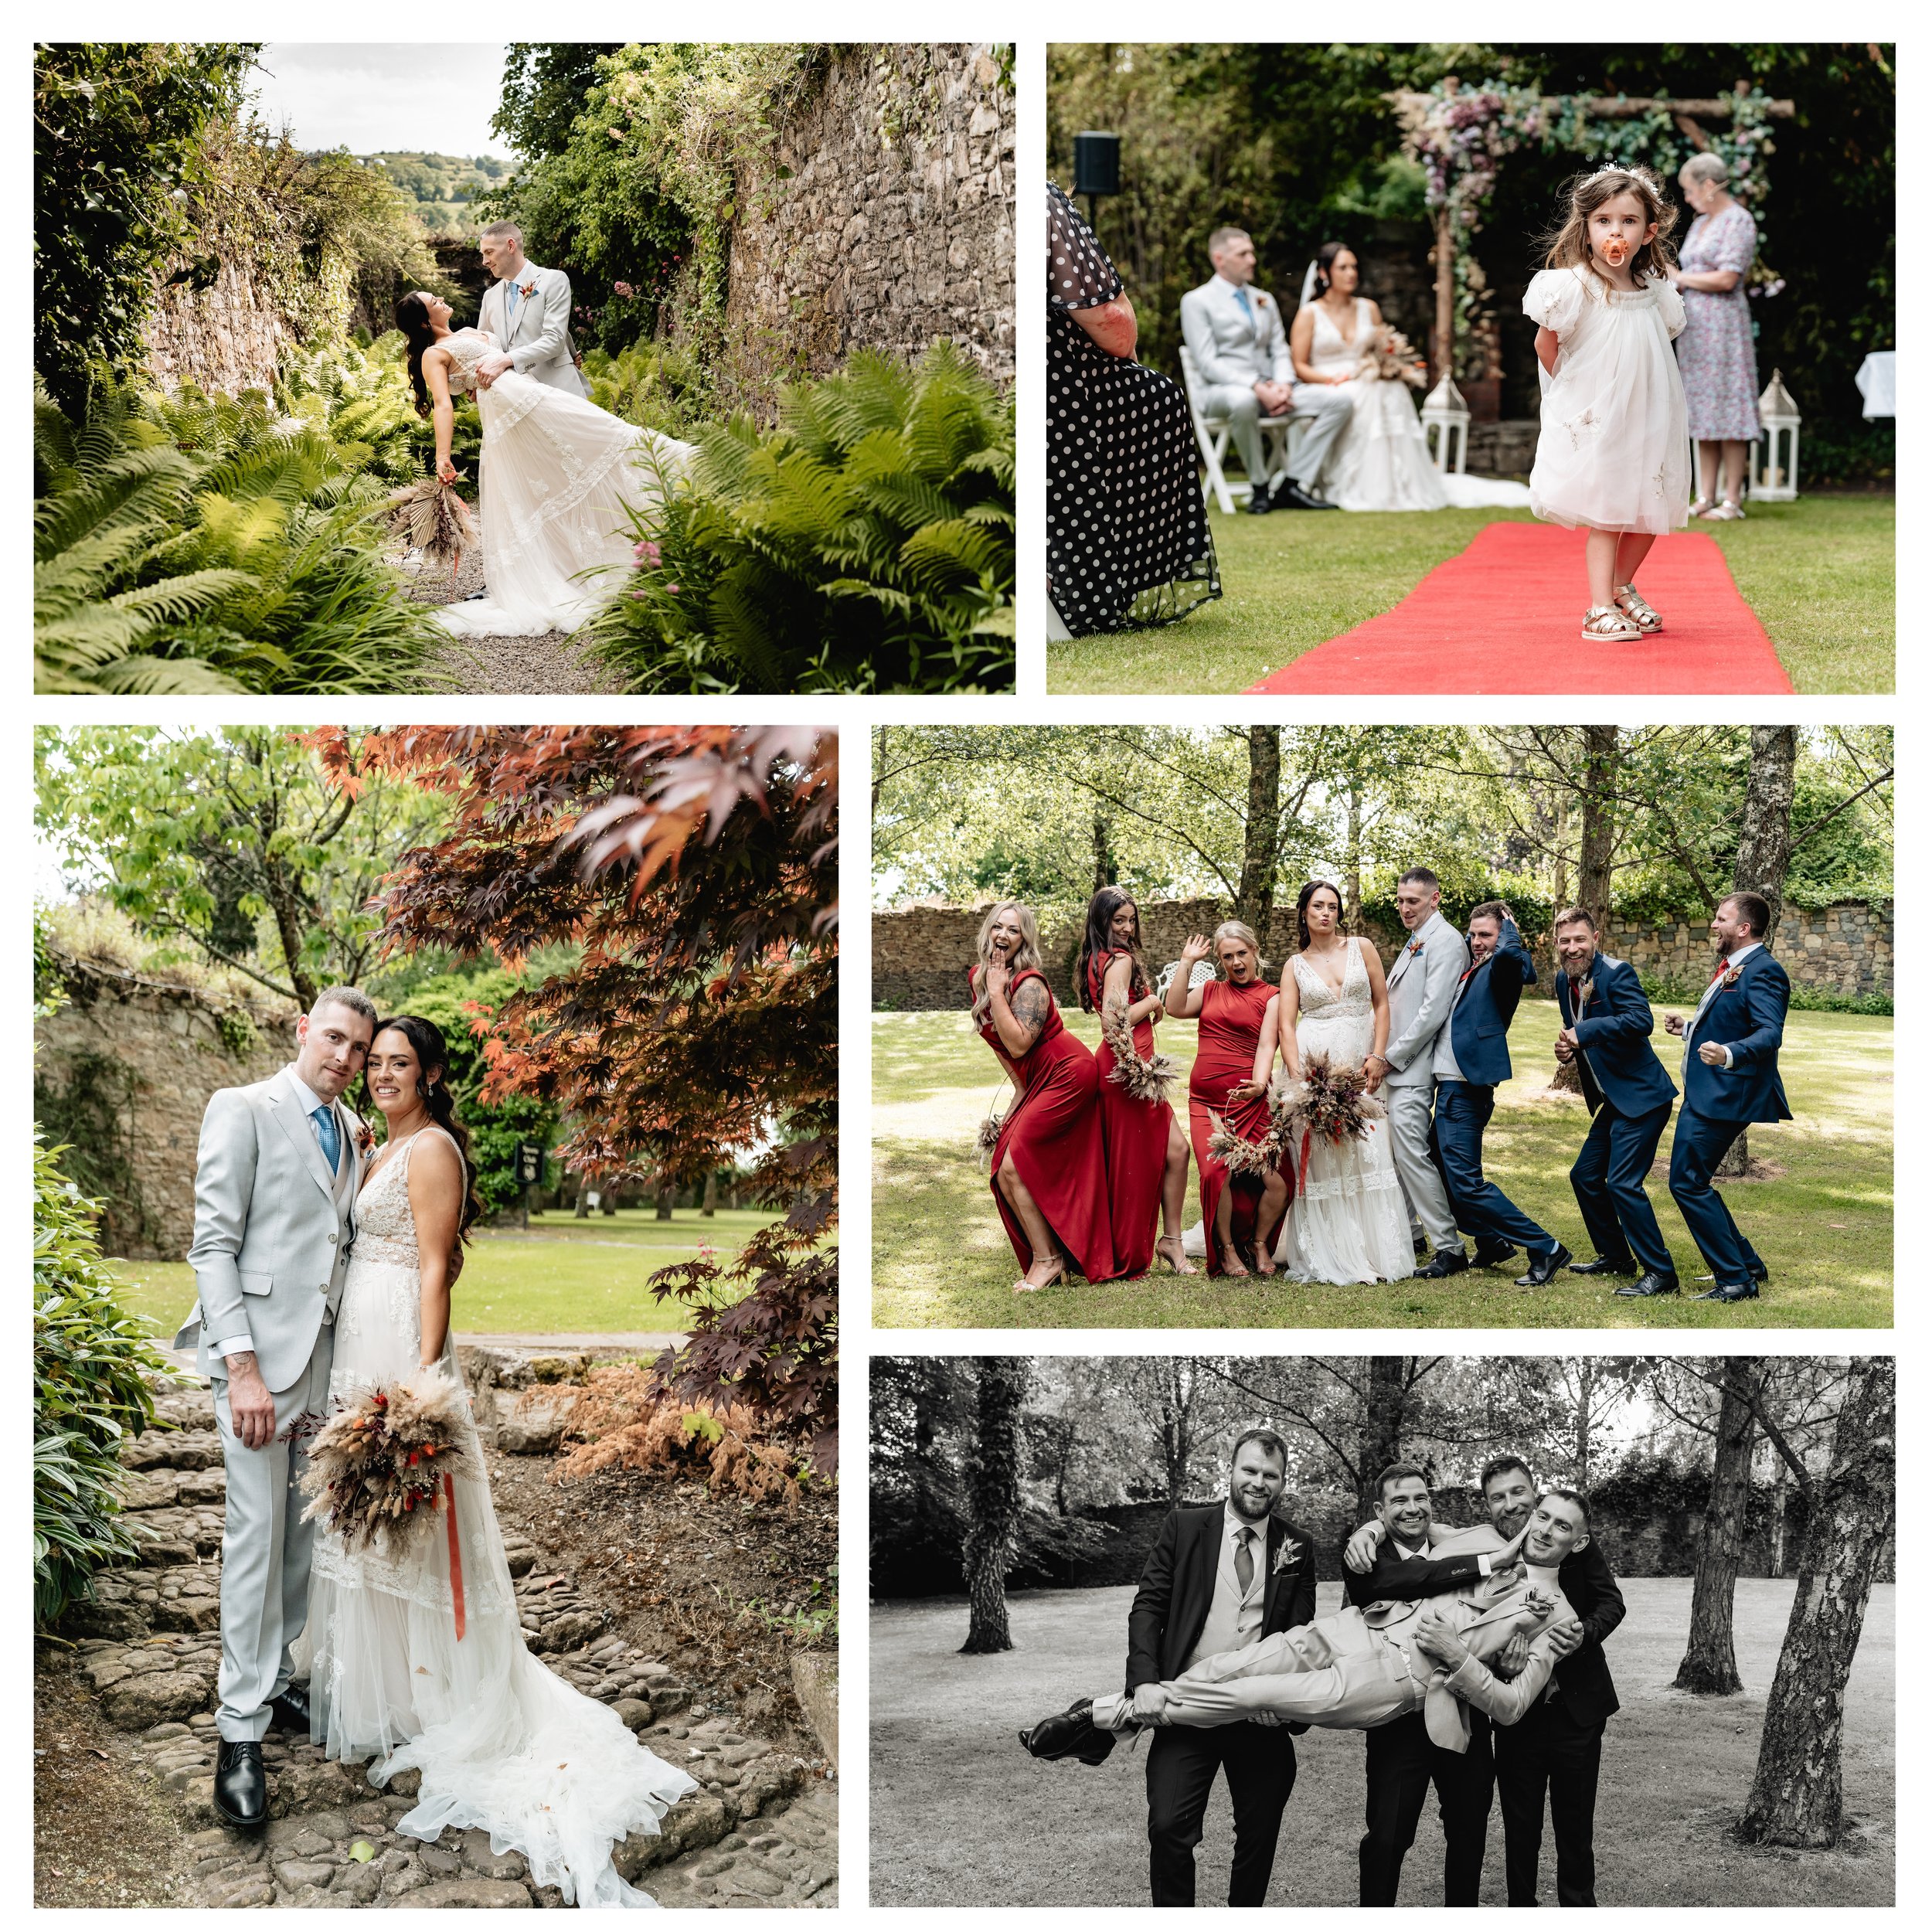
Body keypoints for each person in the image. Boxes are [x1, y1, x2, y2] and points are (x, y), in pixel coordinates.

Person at [301, 1015, 695, 1904]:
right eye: (379, 1063)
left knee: (412, 1524)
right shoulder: (374, 1143)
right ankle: (386, 1697)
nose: (384, 1075)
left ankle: (434, 1699)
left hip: (399, 1343)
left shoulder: (432, 1150)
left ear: (433, 1074)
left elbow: (436, 1268)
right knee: (367, 1525)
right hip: (354, 1340)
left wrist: (419, 1386)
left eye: (402, 1064)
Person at [175, 988, 377, 1832]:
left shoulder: (349, 1131)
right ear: (303, 1031)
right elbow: (213, 1243)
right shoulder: (243, 1108)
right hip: (257, 1366)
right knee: (255, 1540)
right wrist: (243, 1369)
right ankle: (238, 1733)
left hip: (322, 1363)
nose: (343, 1056)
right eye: (333, 1038)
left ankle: (278, 1682)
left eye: (358, 1049)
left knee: (300, 1535)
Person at [1028, 1428, 1318, 1907]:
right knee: (1168, 1828)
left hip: (1259, 1715)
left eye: (1271, 1474)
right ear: (1231, 1470)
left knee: (1259, 1836)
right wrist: (1143, 1682)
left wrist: (1286, 1703)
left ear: (1283, 1482)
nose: (1259, 1482)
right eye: (1250, 1470)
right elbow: (1148, 1608)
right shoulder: (1184, 1527)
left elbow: (1301, 1633)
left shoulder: (1298, 1544)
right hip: (1183, 1709)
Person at [1344, 1459, 1623, 1909]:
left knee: (1569, 1828)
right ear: (1487, 1505)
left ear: (1535, 1495)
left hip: (1573, 1705)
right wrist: (1369, 1531)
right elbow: (1417, 1528)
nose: (1510, 1504)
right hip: (1494, 1714)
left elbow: (1611, 1602)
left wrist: (1582, 1635)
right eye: (1498, 1497)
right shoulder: (1475, 1542)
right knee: (1514, 1826)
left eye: (1518, 1493)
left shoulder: (1569, 1535)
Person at [397, 244, 696, 639]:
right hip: (509, 414)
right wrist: (442, 456)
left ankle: (683, 477)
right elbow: (442, 405)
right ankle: (572, 567)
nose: (439, 298)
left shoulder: (468, 331)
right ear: (422, 321)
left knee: (609, 436)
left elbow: (502, 357)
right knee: (547, 484)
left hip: (531, 396)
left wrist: (480, 378)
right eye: (430, 301)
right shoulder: (433, 354)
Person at [1522, 165, 1689, 643]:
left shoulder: (1656, 293)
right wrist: (1575, 395)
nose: (1616, 232)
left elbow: (1655, 350)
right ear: (1586, 228)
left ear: (1648, 231)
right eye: (1604, 221)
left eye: (1629, 221)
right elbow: (1546, 346)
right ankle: (1597, 607)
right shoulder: (1573, 287)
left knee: (1651, 506)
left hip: (1650, 413)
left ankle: (1620, 587)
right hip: (1600, 414)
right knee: (1608, 510)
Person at [1046, 182, 1220, 637]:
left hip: (1052, 391)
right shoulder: (1045, 201)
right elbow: (1110, 323)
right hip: (1065, 391)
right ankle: (1109, 583)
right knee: (1159, 398)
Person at [1287, 242, 1530, 514]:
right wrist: (1330, 380)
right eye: (1343, 267)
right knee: (1370, 393)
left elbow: (1382, 347)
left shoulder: (1368, 308)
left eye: (1354, 267)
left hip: (1366, 377)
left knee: (1390, 389)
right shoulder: (1309, 313)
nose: (1351, 273)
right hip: (1328, 384)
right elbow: (1298, 365)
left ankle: (1396, 483)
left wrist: (1388, 366)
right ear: (1324, 273)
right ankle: (1360, 482)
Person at [1251, 880, 1414, 1282]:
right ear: (1304, 912)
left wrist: (1378, 1056)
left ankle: (1378, 1253)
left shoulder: (1363, 947)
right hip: (1316, 1065)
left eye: (1333, 906)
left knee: (1370, 1149)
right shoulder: (1294, 965)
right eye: (1318, 906)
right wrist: (1300, 1082)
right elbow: (1287, 1027)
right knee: (1325, 1156)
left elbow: (1381, 1004)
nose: (1327, 913)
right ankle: (1333, 1251)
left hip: (1361, 1064)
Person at [971, 901, 1118, 1293]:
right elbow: (1006, 1056)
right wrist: (1013, 1106)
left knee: (1015, 1165)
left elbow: (1019, 1044)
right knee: (1003, 1165)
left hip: (1068, 1073)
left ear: (1024, 939)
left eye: (1013, 930)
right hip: (1035, 1081)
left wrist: (998, 992)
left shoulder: (1030, 983)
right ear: (987, 930)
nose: (1003, 935)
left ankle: (1049, 1261)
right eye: (998, 926)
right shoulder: (979, 979)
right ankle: (1051, 1255)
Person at [1431, 903, 1572, 1286]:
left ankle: (1545, 1247)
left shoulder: (1504, 966)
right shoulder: (1473, 964)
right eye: (1473, 934)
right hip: (1448, 1087)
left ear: (1504, 934)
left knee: (1466, 1183)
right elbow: (1463, 944)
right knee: (1438, 1170)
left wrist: (1509, 929)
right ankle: (1491, 1241)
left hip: (1467, 1089)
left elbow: (1515, 956)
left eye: (1486, 935)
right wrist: (1474, 937)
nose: (1477, 943)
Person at [1664, 891, 1791, 1302]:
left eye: (1721, 919)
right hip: (1710, 1091)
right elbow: (1730, 1020)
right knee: (1692, 1181)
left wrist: (1729, 1054)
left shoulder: (1763, 971)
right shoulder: (1734, 968)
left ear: (1744, 928)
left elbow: (1769, 1033)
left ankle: (1736, 1280)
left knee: (1686, 1182)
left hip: (1725, 1094)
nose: (1714, 925)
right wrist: (1689, 1029)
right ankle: (1747, 1264)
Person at [1550, 906, 1682, 1298]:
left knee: (1623, 1183)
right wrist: (1569, 1050)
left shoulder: (1616, 972)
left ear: (1595, 937)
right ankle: (1616, 1256)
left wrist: (1584, 1032)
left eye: (1579, 939)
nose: (1572, 948)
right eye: (1564, 941)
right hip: (1614, 1101)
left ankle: (1661, 1273)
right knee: (1585, 1176)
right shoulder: (1564, 980)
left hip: (1642, 1097)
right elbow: (1581, 1036)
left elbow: (1640, 1020)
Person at [1180, 226, 1347, 513]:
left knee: (1339, 401)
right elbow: (1207, 362)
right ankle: (1259, 486)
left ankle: (1291, 483)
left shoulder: (1264, 299)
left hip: (1273, 391)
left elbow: (1279, 350)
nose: (1252, 259)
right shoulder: (1197, 301)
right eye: (1243, 254)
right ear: (1219, 259)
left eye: (1252, 252)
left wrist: (1283, 384)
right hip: (1221, 394)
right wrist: (1256, 385)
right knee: (1243, 400)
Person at [1077, 888, 1196, 1277]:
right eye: (1119, 920)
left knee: (1167, 1153)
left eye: (1132, 919)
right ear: (1103, 922)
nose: (1128, 928)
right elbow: (1114, 1020)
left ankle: (1170, 1243)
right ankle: (1162, 1245)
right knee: (1166, 1154)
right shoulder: (1121, 959)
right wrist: (1155, 1003)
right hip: (1128, 1071)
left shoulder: (1099, 957)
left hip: (1126, 1066)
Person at [1167, 923, 1292, 1276]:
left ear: (1254, 951)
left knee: (1277, 1183)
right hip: (1206, 1102)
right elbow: (1174, 1007)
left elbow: (1269, 1044)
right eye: (1228, 957)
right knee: (1213, 1174)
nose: (1237, 962)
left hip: (1249, 1102)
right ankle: (1225, 1249)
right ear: (1220, 961)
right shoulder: (1208, 990)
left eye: (1242, 954)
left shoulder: (1273, 995)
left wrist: (1259, 1082)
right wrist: (1187, 962)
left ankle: (1258, 1241)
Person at [1379, 869, 1474, 1277]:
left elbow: (1432, 1013)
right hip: (1396, 1067)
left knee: (1413, 1156)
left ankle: (1450, 1247)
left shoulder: (1447, 941)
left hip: (1414, 1068)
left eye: (1412, 901)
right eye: (1400, 901)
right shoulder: (1418, 938)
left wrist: (1390, 1057)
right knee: (1399, 1157)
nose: (1404, 908)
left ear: (1435, 899)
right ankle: (1412, 1232)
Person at [1668, 154, 1761, 520]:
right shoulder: (1702, 222)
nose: (1688, 198)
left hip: (1724, 326)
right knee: (1703, 412)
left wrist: (1680, 279)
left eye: (1691, 190)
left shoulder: (1739, 220)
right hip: (1695, 328)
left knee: (1729, 407)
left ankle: (1732, 500)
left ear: (1708, 186)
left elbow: (1727, 278)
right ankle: (1705, 496)